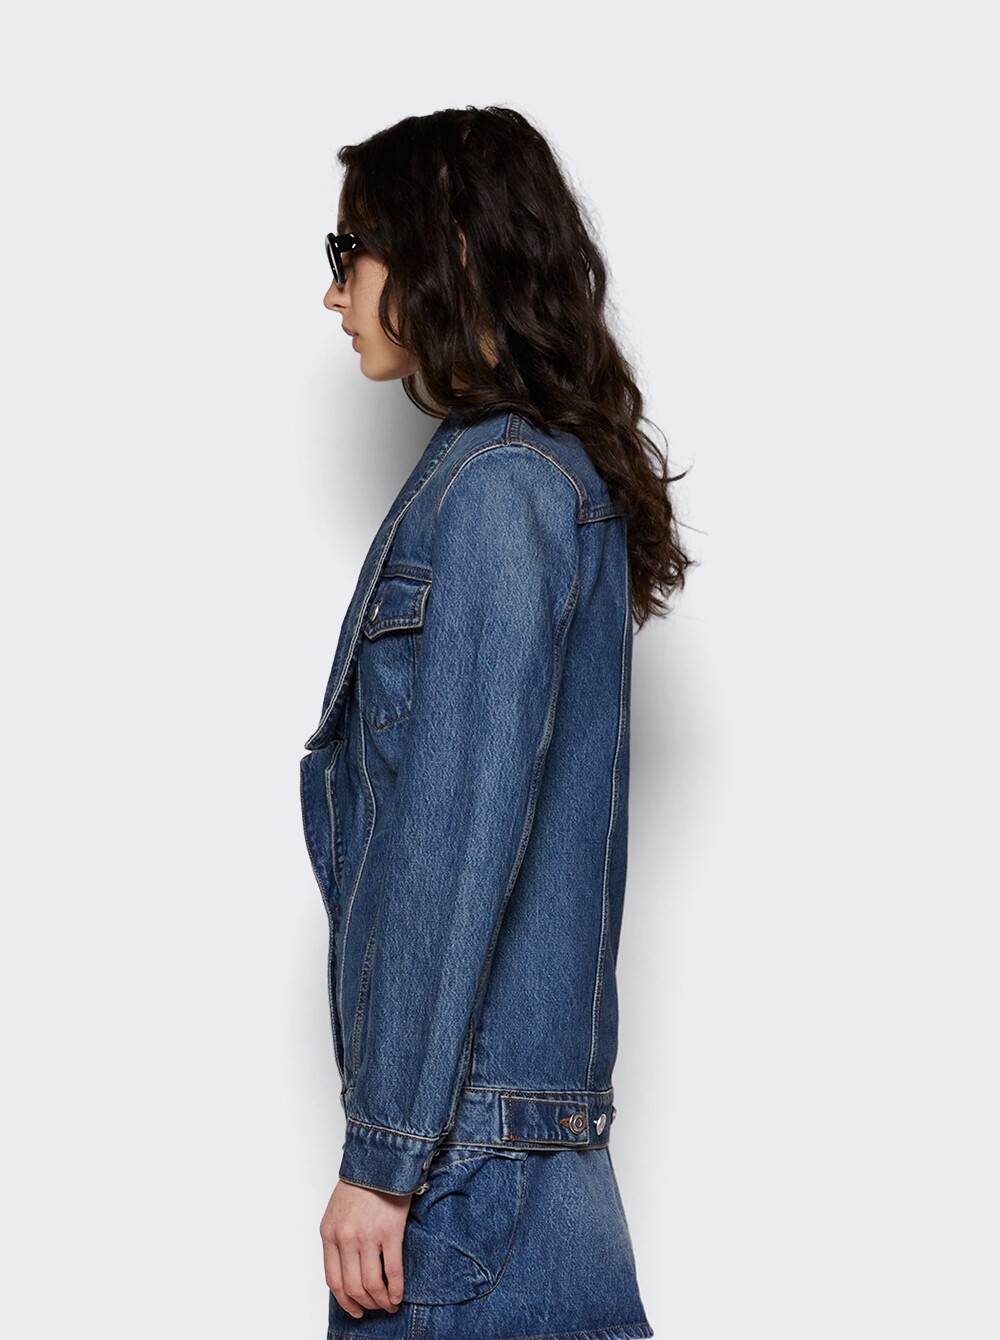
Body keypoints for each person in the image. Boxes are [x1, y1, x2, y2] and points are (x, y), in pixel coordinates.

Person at [299, 105, 692, 1340]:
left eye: (350, 251)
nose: (334, 292)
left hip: (466, 1188)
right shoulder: (544, 474)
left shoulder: (496, 488)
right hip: (528, 1169)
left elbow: (456, 838)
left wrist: (383, 1157)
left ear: (449, 251)